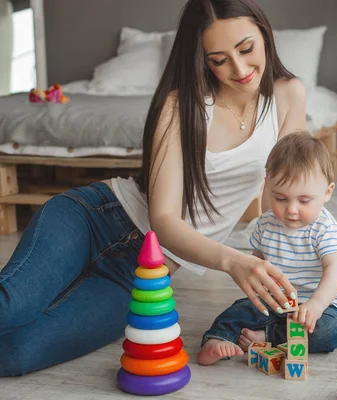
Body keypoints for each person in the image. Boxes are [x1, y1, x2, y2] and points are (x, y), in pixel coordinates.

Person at [0, 0, 306, 376]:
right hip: (96, 217)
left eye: (246, 49)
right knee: (11, 306)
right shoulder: (181, 105)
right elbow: (162, 219)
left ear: (264, 33)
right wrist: (232, 260)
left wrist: (300, 261)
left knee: (16, 353)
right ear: (201, 58)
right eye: (218, 59)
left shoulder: (288, 95)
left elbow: (288, 187)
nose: (239, 69)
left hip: (145, 272)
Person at [197, 131, 337, 365]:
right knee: (240, 310)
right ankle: (217, 339)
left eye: (304, 201)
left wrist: (316, 304)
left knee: (329, 331)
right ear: (267, 187)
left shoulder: (324, 229)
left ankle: (268, 337)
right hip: (276, 301)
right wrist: (259, 295)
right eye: (280, 198)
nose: (291, 209)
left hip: (321, 305)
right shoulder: (265, 224)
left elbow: (335, 271)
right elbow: (258, 263)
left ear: (327, 193)